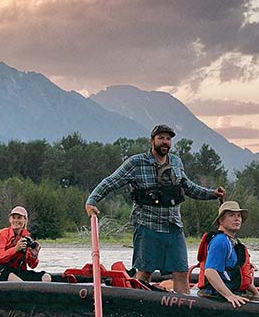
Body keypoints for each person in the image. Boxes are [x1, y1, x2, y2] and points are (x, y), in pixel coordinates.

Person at [85, 124, 225, 294]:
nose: (165, 142)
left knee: (181, 272)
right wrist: (92, 201)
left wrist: (212, 194)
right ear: (152, 141)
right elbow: (110, 182)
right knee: (144, 272)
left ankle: (185, 312)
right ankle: (142, 307)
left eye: (168, 139)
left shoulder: (176, 162)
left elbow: (188, 187)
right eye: (161, 138)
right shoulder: (136, 163)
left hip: (173, 226)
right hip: (147, 226)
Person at [196, 201, 258, 307]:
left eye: (239, 216)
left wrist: (256, 294)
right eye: (231, 215)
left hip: (232, 291)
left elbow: (238, 274)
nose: (237, 218)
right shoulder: (220, 241)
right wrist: (229, 296)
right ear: (221, 220)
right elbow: (210, 272)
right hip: (216, 296)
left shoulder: (232, 242)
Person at [0, 206, 51, 282]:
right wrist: (15, 249)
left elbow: (32, 265)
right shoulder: (1, 234)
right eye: (14, 218)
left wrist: (34, 255)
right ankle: (22, 289)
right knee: (13, 278)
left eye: (19, 218)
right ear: (10, 219)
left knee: (46, 277)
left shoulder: (26, 238)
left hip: (18, 271)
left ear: (25, 220)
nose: (16, 220)